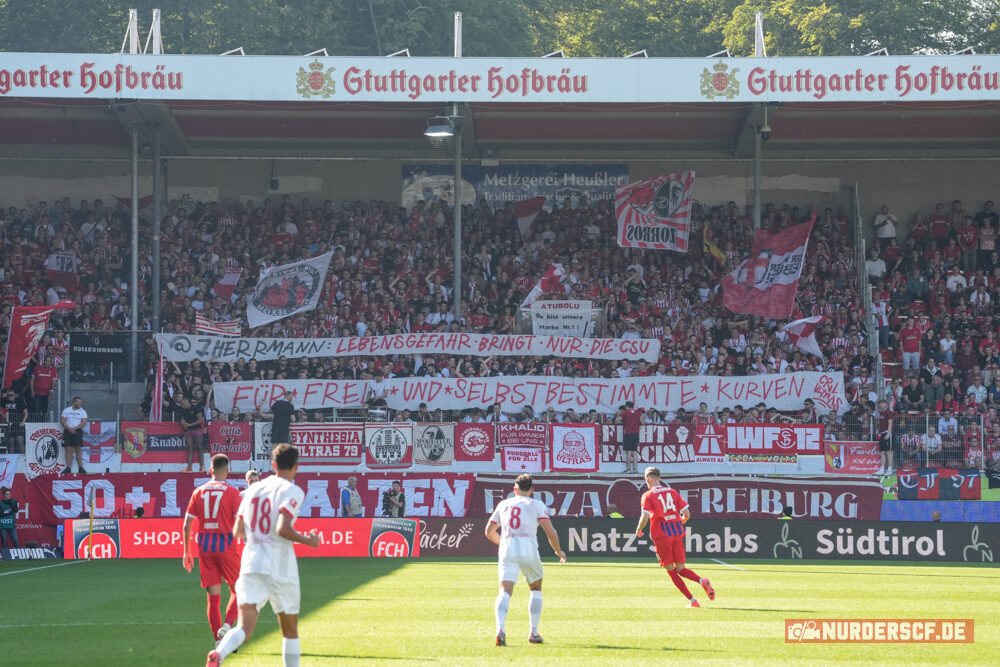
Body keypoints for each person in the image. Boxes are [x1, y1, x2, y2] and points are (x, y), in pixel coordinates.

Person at [208, 443, 320, 667]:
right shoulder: (293, 491)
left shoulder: (253, 490)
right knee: (289, 631)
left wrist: (257, 533)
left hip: (251, 564)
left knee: (243, 628)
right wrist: (309, 540)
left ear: (273, 465)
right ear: (296, 466)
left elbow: (238, 531)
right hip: (280, 566)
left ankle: (219, 653)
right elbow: (282, 528)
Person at [485, 474, 566, 646]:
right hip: (529, 549)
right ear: (531, 491)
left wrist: (504, 544)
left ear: (514, 489)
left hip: (507, 550)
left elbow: (489, 531)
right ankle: (533, 632)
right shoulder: (536, 504)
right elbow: (551, 532)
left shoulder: (503, 504)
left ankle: (500, 629)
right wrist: (558, 551)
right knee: (535, 588)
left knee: (505, 591)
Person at [183, 454, 242, 643]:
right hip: (226, 545)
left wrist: (187, 552)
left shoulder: (198, 492)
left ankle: (218, 643)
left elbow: (187, 524)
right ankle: (227, 625)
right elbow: (241, 523)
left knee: (213, 599)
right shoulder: (233, 493)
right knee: (240, 590)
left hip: (206, 547)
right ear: (227, 471)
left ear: (210, 470)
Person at [635, 467, 714, 608]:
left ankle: (693, 601)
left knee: (671, 571)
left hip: (661, 535)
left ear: (649, 478)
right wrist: (681, 521)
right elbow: (687, 514)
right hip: (676, 533)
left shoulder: (648, 495)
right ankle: (702, 580)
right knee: (681, 569)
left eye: (645, 479)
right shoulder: (673, 492)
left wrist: (639, 529)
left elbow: (645, 517)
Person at [59, 396, 88, 475]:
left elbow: (83, 423)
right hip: (68, 431)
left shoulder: (83, 411)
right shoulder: (66, 410)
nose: (80, 404)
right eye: (78, 402)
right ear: (74, 402)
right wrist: (69, 429)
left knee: (78, 449)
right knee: (68, 449)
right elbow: (62, 420)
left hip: (77, 431)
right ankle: (68, 468)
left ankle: (80, 468)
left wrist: (74, 429)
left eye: (80, 402)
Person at [180, 396, 207, 473]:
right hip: (188, 431)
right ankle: (189, 467)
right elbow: (182, 419)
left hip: (197, 430)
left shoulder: (196, 408)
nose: (182, 405)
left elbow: (200, 420)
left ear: (187, 402)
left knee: (200, 448)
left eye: (183, 403)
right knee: (189, 449)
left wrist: (189, 425)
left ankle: (202, 467)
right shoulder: (182, 410)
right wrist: (183, 423)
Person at [620, 400, 645, 475]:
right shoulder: (638, 413)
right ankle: (635, 469)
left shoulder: (625, 413)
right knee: (634, 451)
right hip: (636, 434)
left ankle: (628, 469)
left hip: (628, 434)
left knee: (628, 451)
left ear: (626, 406)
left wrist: (624, 422)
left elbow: (617, 420)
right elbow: (643, 423)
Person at [1, 388, 28, 453]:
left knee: (20, 440)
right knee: (11, 442)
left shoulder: (19, 401)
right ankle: (11, 460)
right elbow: (2, 412)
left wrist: (23, 421)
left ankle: (24, 458)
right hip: (9, 424)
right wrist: (6, 418)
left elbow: (26, 412)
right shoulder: (4, 401)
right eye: (8, 395)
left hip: (18, 423)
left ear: (15, 395)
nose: (10, 396)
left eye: (11, 395)